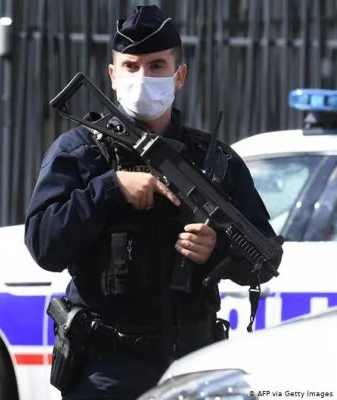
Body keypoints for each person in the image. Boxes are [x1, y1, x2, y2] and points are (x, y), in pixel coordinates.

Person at [25, 5, 281, 400]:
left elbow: (264, 260)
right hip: (107, 369)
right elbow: (44, 245)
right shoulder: (80, 151)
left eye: (157, 65)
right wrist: (110, 190)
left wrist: (217, 250)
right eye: (131, 66)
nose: (142, 77)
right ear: (112, 75)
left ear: (180, 75)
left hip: (194, 366)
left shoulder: (214, 161)